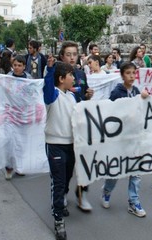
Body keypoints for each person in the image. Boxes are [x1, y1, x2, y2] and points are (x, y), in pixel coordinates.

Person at [101, 62, 149, 217]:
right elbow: (112, 113)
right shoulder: (117, 92)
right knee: (115, 171)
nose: (132, 76)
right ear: (122, 75)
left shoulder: (136, 90)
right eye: (128, 73)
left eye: (134, 73)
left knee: (136, 171)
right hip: (120, 139)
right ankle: (107, 191)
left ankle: (133, 202)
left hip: (134, 138)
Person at [58, 40, 94, 212]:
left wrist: (88, 95)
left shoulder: (81, 74)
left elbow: (84, 96)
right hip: (64, 127)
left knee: (84, 161)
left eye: (74, 54)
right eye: (68, 54)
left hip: (81, 124)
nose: (72, 58)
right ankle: (63, 192)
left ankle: (82, 194)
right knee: (67, 164)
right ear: (62, 56)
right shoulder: (56, 75)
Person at [43, 61, 76, 240]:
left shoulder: (71, 97)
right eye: (71, 75)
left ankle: (62, 200)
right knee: (59, 181)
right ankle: (58, 219)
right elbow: (47, 91)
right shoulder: (53, 94)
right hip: (55, 144)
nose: (74, 78)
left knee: (68, 177)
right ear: (62, 79)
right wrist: (49, 70)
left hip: (71, 145)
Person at [4, 55, 33, 180]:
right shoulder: (7, 78)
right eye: (15, 65)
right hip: (10, 114)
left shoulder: (29, 78)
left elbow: (33, 94)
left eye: (19, 65)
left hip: (24, 114)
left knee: (22, 141)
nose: (16, 67)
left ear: (24, 67)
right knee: (10, 141)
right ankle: (9, 167)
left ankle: (20, 166)